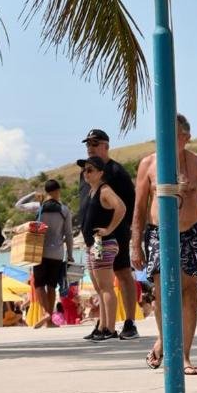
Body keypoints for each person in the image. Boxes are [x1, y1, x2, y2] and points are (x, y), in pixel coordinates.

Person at [131, 113, 197, 375]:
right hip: (160, 233)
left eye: (172, 134)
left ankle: (182, 355)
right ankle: (167, 343)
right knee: (163, 293)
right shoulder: (148, 164)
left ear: (185, 137)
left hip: (192, 232)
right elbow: (138, 208)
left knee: (189, 294)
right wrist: (135, 244)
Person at [78, 128, 138, 340]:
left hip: (115, 234)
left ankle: (129, 321)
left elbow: (130, 203)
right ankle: (103, 322)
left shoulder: (116, 171)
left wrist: (128, 230)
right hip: (91, 238)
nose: (90, 148)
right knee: (98, 281)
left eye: (94, 144)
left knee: (122, 273)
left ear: (105, 146)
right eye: (88, 145)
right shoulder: (85, 172)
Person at [79, 154, 127, 342]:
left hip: (103, 242)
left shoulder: (104, 190)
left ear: (100, 172)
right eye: (85, 170)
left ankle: (110, 328)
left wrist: (109, 229)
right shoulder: (92, 191)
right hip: (93, 243)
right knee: (99, 287)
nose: (86, 173)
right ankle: (102, 325)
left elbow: (121, 207)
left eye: (90, 170)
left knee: (106, 286)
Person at [15, 179, 75, 328]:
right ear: (58, 191)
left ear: (46, 192)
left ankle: (45, 313)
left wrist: (33, 194)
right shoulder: (64, 210)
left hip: (39, 251)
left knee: (39, 285)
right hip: (57, 253)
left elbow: (18, 205)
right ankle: (49, 321)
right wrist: (70, 254)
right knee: (51, 286)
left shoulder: (39, 206)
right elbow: (68, 234)